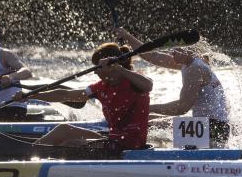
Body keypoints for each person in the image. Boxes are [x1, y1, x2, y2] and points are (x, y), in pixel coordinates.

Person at [113, 27, 231, 147]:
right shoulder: (189, 61)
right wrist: (127, 35)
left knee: (146, 124)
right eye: (172, 50)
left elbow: (182, 108)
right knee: (148, 118)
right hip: (210, 125)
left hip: (214, 130)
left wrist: (147, 107)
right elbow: (152, 56)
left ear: (189, 51)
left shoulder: (195, 69)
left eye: (176, 50)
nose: (171, 53)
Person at [23, 42, 153, 149]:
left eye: (97, 68)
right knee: (63, 130)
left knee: (70, 144)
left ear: (111, 66)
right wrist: (31, 96)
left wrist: (118, 67)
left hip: (130, 145)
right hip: (113, 138)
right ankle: (28, 153)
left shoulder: (133, 82)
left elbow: (148, 85)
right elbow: (65, 94)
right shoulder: (101, 87)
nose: (95, 72)